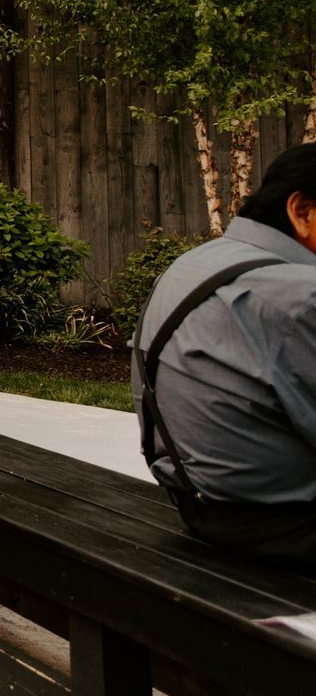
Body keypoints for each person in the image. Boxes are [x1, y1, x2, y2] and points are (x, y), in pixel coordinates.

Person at [133, 142, 316, 567]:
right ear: (302, 211)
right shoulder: (299, 295)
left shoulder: (200, 261)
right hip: (283, 526)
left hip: (201, 504)